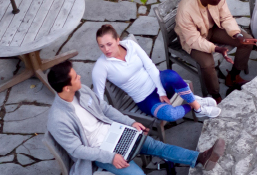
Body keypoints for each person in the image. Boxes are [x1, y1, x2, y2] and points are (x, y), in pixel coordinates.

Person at [46, 61, 225, 175]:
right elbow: (77, 150)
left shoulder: (81, 91)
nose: (80, 77)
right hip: (99, 151)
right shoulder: (58, 119)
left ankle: (199, 158)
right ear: (66, 87)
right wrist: (111, 157)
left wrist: (130, 122)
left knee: (157, 146)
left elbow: (105, 109)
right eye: (75, 76)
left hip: (116, 132)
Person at [92, 24, 220, 122]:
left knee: (171, 75)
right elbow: (99, 99)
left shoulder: (130, 45)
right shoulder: (101, 67)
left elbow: (150, 66)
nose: (106, 49)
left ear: (117, 40)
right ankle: (192, 103)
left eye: (109, 44)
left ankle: (198, 108)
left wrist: (161, 91)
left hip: (158, 83)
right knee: (170, 115)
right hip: (145, 99)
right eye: (101, 46)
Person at [175, 0, 257, 102]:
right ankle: (215, 96)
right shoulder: (185, 10)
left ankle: (234, 75)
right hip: (194, 39)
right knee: (208, 64)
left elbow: (226, 18)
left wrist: (237, 35)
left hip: (213, 28)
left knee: (246, 41)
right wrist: (216, 48)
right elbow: (193, 39)